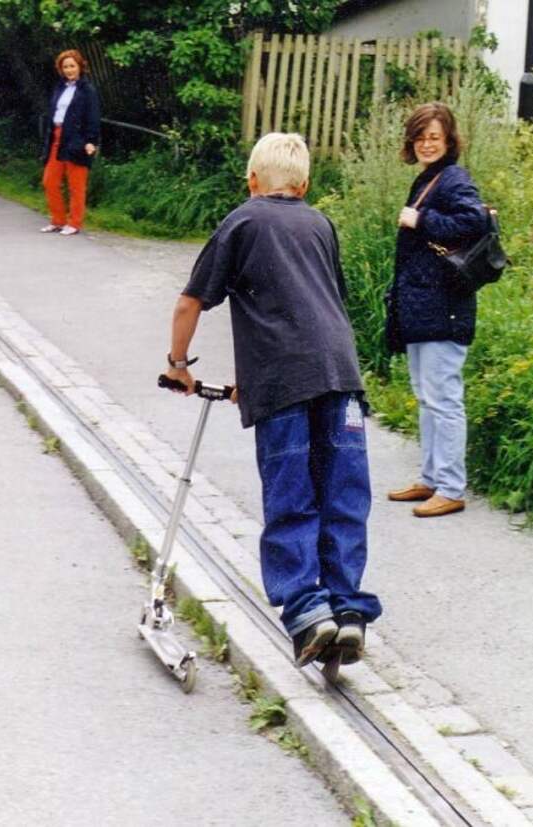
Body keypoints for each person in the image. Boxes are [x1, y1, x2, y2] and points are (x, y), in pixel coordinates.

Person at [163, 132, 382, 669]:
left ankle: (309, 612)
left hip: (286, 384)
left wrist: (179, 365)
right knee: (343, 495)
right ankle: (348, 610)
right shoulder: (320, 224)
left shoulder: (243, 220)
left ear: (252, 180)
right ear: (305, 184)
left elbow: (192, 301)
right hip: (341, 377)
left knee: (291, 496)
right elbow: (312, 306)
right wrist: (253, 378)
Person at [385, 102, 488, 518]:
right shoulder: (430, 178)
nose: (427, 144)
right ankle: (430, 479)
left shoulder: (453, 178)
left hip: (445, 307)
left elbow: (474, 222)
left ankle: (450, 487)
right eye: (420, 136)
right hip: (425, 308)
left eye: (434, 137)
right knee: (427, 396)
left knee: (443, 399)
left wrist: (421, 219)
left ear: (449, 141)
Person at [40, 49, 100, 236]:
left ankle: (74, 223)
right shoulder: (60, 87)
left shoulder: (87, 90)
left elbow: (93, 116)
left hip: (78, 139)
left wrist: (91, 141)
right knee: (50, 181)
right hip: (57, 138)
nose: (69, 70)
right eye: (65, 67)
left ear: (80, 67)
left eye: (72, 66)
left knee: (76, 184)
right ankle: (58, 220)